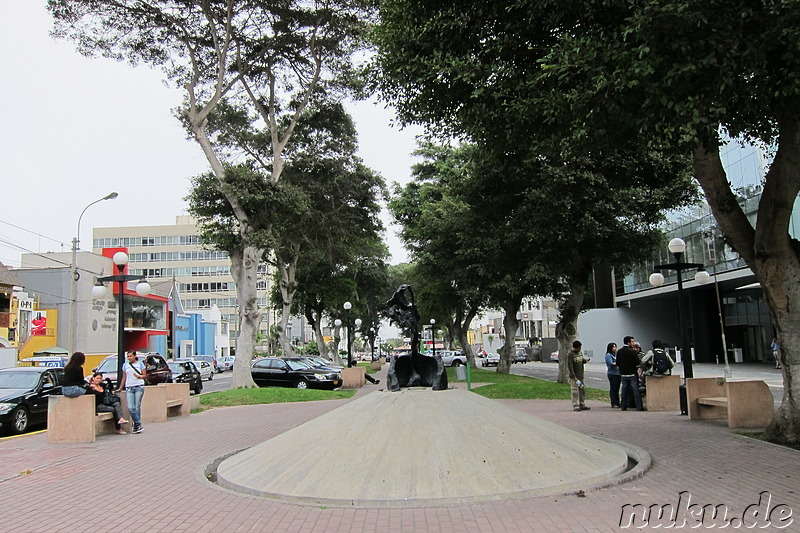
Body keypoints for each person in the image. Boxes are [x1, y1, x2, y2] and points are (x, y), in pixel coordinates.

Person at [117, 350, 146, 434]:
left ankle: (137, 426)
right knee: (130, 407)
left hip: (138, 386)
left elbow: (145, 375)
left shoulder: (140, 364)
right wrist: (120, 388)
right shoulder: (125, 365)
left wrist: (139, 376)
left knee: (137, 407)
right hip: (129, 387)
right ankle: (138, 424)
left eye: (131, 356)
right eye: (128, 356)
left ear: (134, 356)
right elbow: (124, 377)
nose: (129, 358)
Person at [617, 336, 644, 411]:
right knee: (635, 390)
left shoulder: (619, 351)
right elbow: (638, 362)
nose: (633, 343)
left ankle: (623, 406)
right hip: (632, 373)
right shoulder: (632, 351)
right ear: (628, 342)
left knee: (624, 390)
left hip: (623, 373)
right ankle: (639, 406)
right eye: (632, 341)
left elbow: (618, 362)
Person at [567, 340, 591, 411]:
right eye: (579, 348)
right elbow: (570, 367)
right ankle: (576, 405)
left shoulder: (580, 353)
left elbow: (580, 360)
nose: (580, 349)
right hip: (575, 377)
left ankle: (582, 404)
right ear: (575, 348)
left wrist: (585, 361)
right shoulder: (570, 354)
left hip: (581, 376)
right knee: (575, 391)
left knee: (582, 390)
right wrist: (574, 377)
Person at [604, 342, 620, 408]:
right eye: (613, 347)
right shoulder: (608, 355)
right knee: (613, 388)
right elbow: (611, 363)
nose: (615, 348)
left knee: (617, 389)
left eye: (615, 347)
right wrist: (618, 363)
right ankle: (613, 403)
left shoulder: (616, 354)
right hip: (612, 373)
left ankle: (617, 402)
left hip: (618, 373)